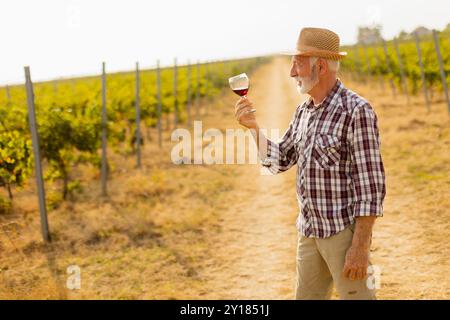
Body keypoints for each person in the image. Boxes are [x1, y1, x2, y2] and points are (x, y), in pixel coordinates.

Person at [234, 27, 386, 300]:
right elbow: (278, 160)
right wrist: (253, 128)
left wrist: (360, 247)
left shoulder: (356, 110)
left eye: (297, 63)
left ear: (321, 66)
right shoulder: (303, 112)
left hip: (342, 235)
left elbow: (371, 187)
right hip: (308, 233)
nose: (292, 72)